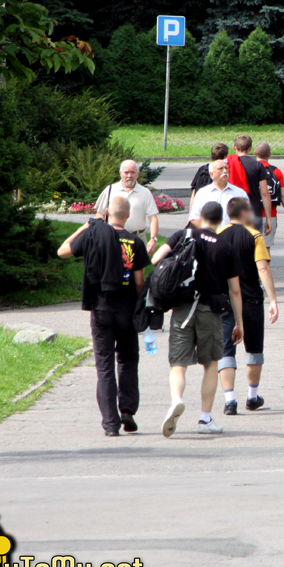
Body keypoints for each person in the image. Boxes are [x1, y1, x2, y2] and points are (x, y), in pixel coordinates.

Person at [58, 197, 151, 437]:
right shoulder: (136, 241)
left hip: (101, 308)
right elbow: (139, 281)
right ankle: (128, 411)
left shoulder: (94, 235)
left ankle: (111, 424)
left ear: (107, 213)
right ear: (128, 216)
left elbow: (62, 251)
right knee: (128, 360)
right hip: (127, 310)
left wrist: (83, 228)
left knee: (105, 364)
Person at [151, 202, 244, 437]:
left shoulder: (183, 235)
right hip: (210, 310)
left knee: (178, 364)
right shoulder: (226, 246)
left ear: (200, 217)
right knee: (211, 363)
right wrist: (239, 322)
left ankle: (176, 400)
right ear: (221, 221)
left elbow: (155, 260)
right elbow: (234, 290)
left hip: (183, 308)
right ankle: (205, 419)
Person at [217, 197, 279, 414]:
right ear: (244, 213)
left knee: (226, 350)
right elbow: (262, 269)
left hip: (224, 301)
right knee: (254, 349)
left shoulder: (218, 236)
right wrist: (273, 300)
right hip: (251, 299)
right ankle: (252, 397)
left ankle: (229, 400)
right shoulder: (254, 236)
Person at [94, 160, 159, 255]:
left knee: (138, 269)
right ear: (121, 174)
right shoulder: (110, 190)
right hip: (114, 238)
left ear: (138, 174)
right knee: (114, 269)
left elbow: (153, 218)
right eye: (126, 172)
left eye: (133, 172)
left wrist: (153, 239)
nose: (129, 176)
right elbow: (100, 214)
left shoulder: (145, 192)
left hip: (138, 239)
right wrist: (102, 234)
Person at [226, 134, 274, 237]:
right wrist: (268, 218)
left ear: (235, 147)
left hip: (234, 212)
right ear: (250, 148)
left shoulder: (228, 164)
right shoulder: (258, 165)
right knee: (254, 246)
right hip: (254, 212)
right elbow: (265, 193)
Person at [254, 142, 284, 249]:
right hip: (270, 215)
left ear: (255, 153)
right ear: (270, 154)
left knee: (250, 250)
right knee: (265, 249)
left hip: (250, 214)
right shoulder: (276, 172)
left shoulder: (249, 169)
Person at [189, 159, 248, 223]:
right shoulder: (203, 193)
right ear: (212, 174)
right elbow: (194, 218)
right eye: (220, 168)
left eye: (226, 168)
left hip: (233, 232)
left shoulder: (240, 193)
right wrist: (207, 231)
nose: (225, 171)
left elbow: (248, 217)